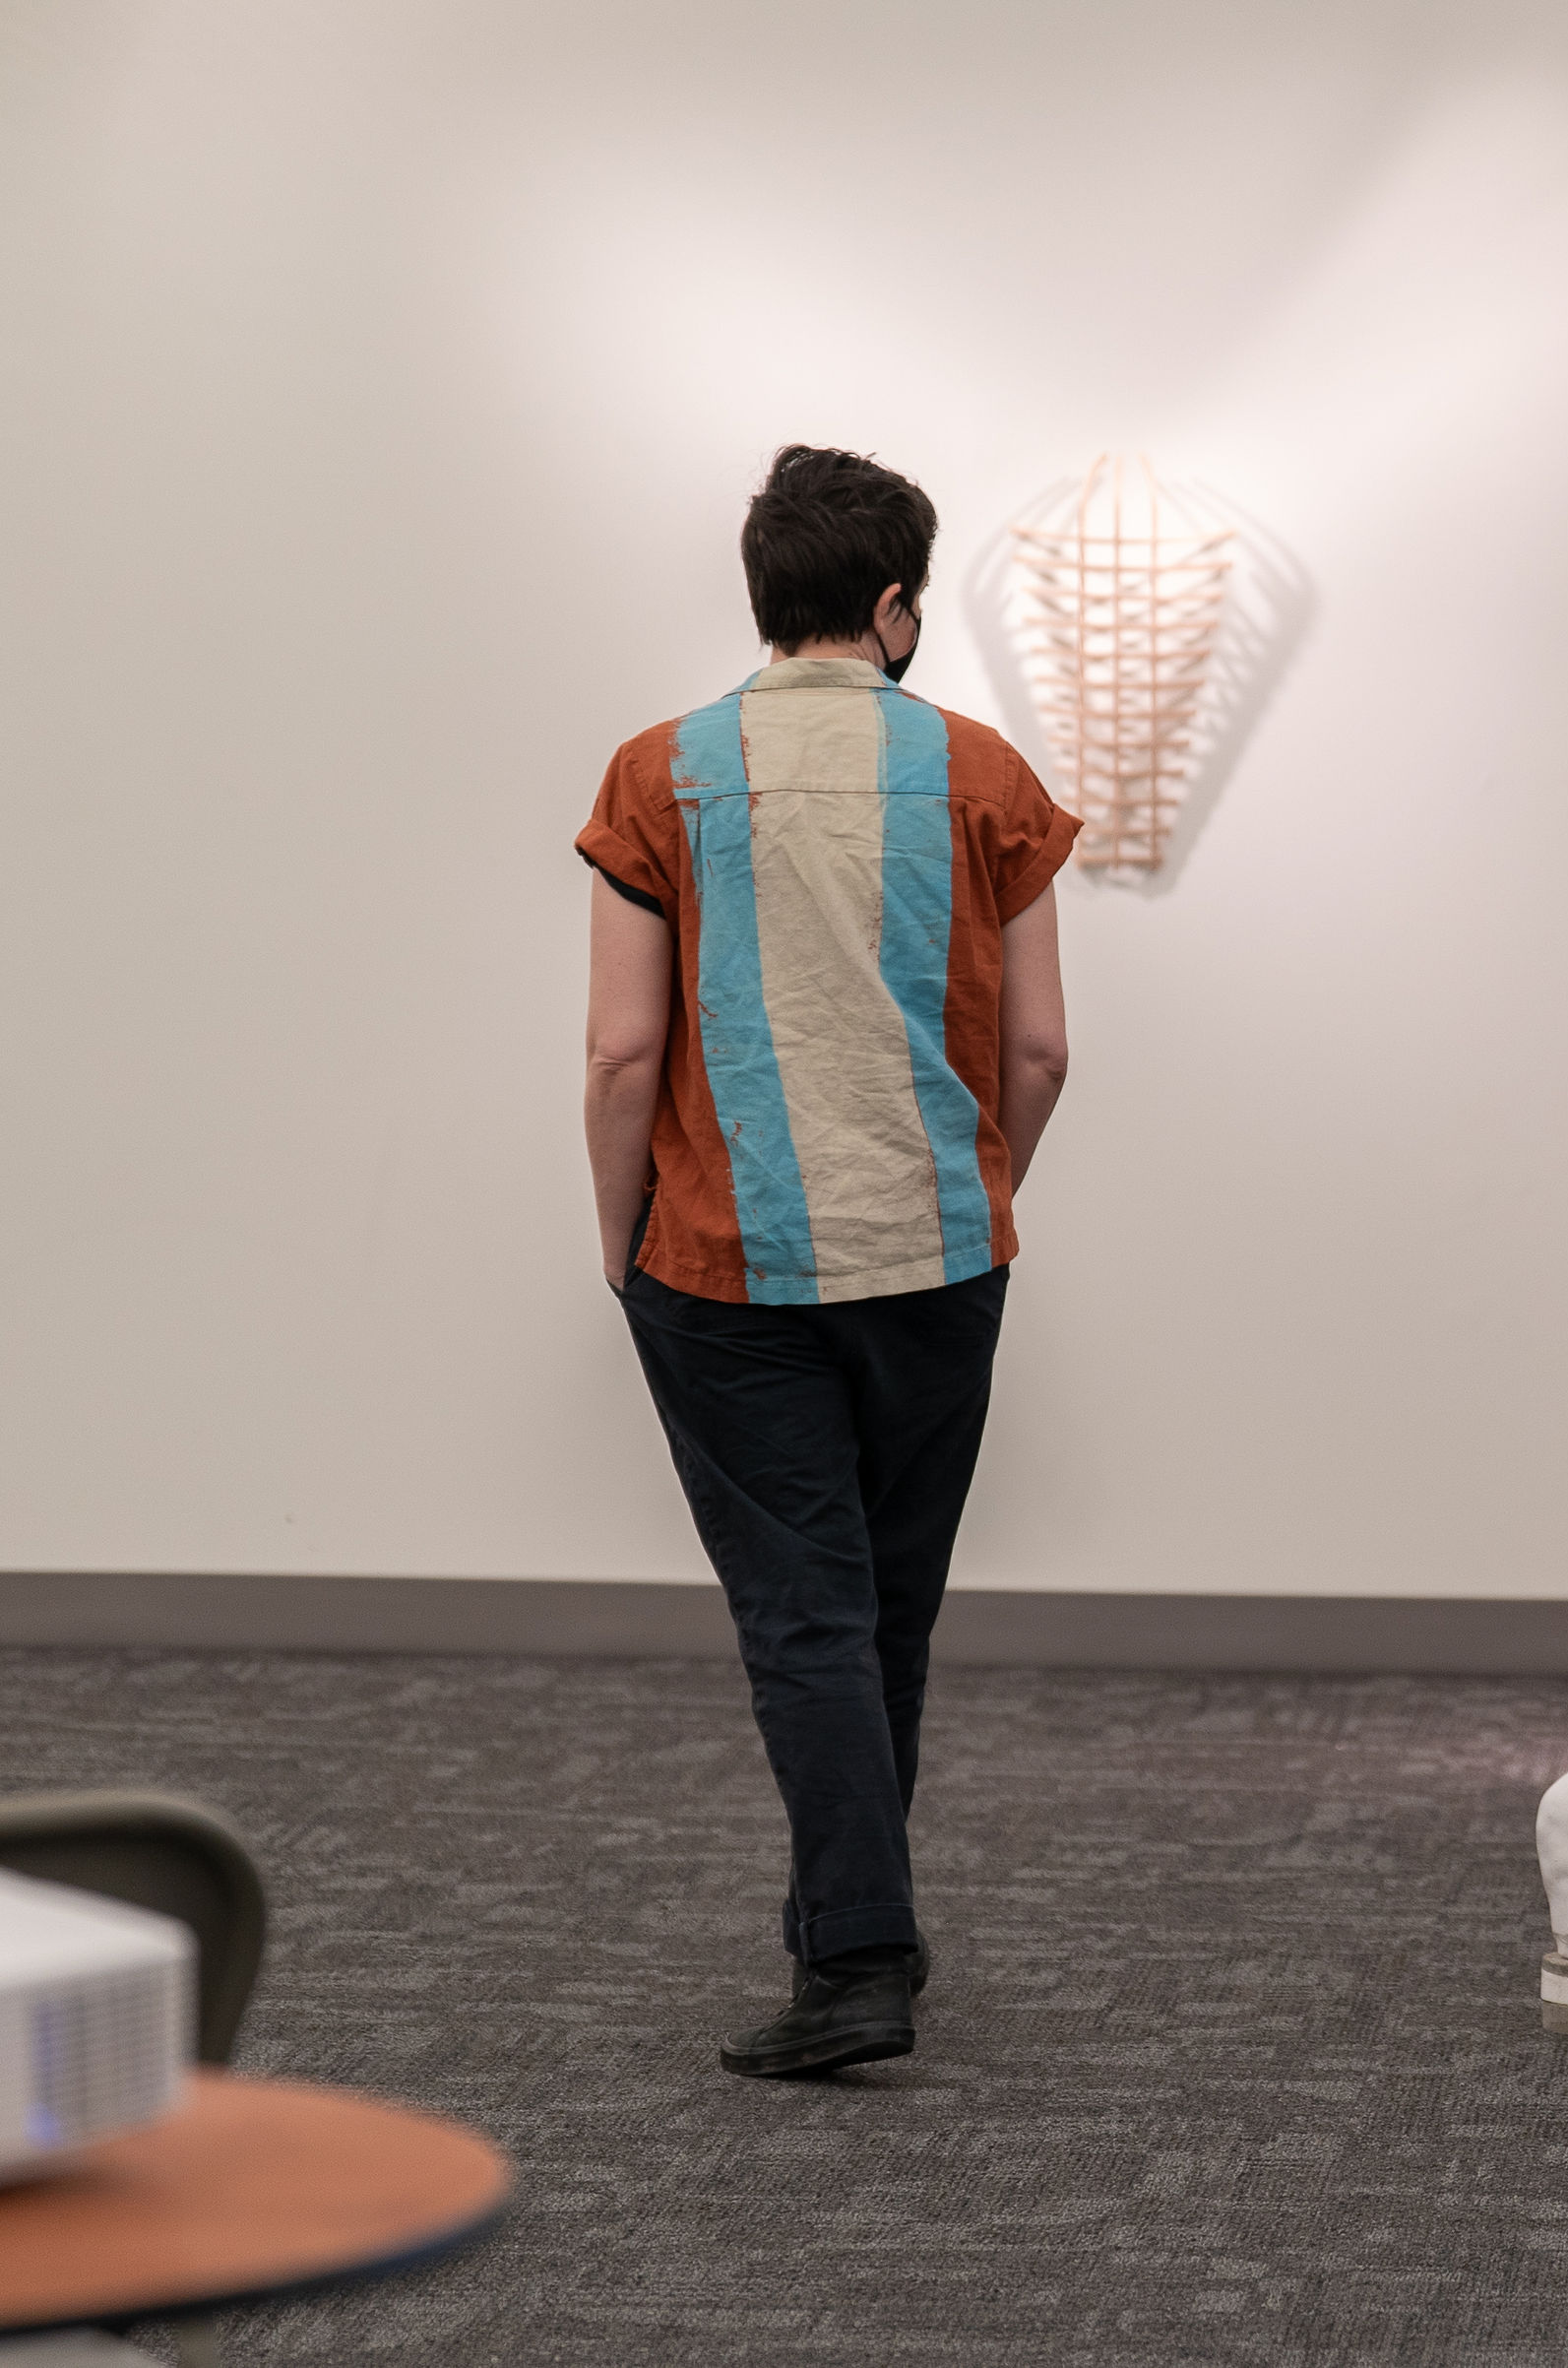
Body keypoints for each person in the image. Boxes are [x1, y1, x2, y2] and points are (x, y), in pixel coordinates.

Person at [574, 445, 1076, 2077]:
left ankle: (855, 1956)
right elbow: (1047, 1054)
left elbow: (618, 1055)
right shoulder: (986, 772)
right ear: (893, 606)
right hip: (938, 1254)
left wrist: (616, 1232)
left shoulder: (662, 773)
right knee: (888, 1609)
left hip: (725, 1265)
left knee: (805, 1613)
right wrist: (978, 1192)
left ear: (766, 597)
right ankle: (857, 1933)